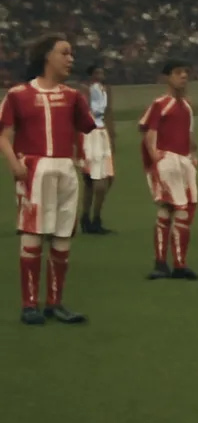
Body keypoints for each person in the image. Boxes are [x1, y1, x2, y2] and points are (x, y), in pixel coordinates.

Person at [0, 34, 96, 325]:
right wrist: (14, 163)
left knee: (62, 234)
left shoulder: (73, 96)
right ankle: (29, 304)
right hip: (35, 167)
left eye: (71, 54)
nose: (71, 59)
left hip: (65, 168)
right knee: (33, 234)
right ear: (47, 57)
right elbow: (4, 134)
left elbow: (87, 127)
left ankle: (55, 302)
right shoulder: (18, 94)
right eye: (65, 53)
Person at [139, 59, 198, 280]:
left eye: (185, 72)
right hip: (167, 160)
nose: (183, 76)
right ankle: (169, 264)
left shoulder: (188, 106)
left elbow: (190, 133)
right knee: (175, 209)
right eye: (178, 72)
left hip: (184, 161)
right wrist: (156, 157)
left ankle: (172, 264)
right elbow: (149, 132)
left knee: (176, 211)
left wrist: (194, 155)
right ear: (167, 77)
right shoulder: (160, 103)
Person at [79, 64, 116, 234]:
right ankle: (94, 220)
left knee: (99, 180)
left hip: (101, 135)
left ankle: (87, 218)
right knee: (97, 181)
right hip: (91, 134)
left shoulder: (105, 89)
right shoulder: (85, 89)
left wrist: (111, 134)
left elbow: (108, 112)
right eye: (98, 72)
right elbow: (83, 112)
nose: (101, 75)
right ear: (91, 74)